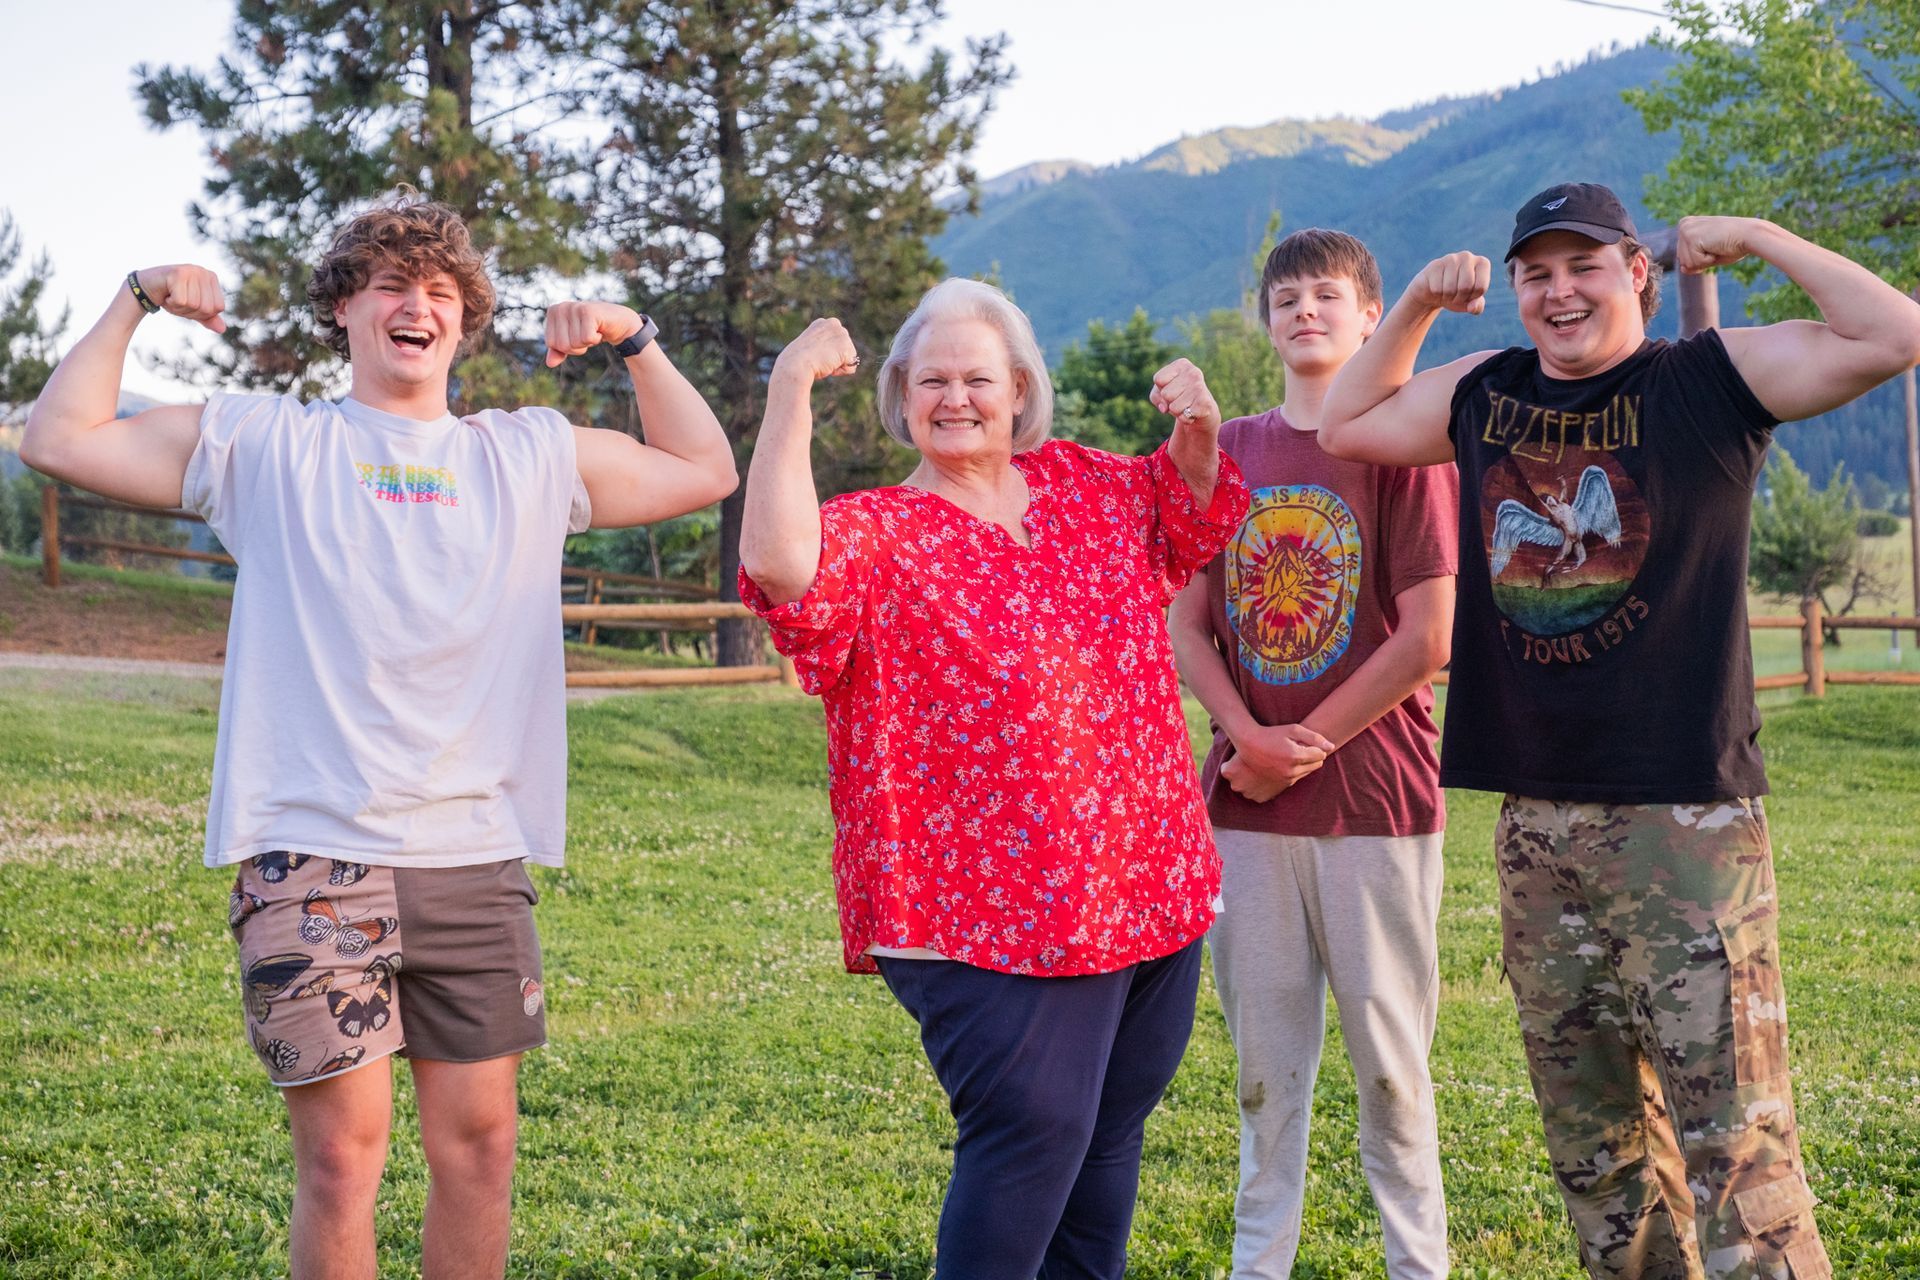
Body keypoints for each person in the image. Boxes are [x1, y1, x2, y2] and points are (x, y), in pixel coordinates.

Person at [20, 194, 737, 1279]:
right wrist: (136, 299)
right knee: (343, 1164)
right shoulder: (265, 441)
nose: (418, 305)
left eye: (442, 291)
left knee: (482, 1148)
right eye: (393, 285)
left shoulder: (528, 454)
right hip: (313, 854)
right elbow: (56, 438)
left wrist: (634, 339)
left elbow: (704, 467)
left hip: (477, 858)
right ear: (346, 306)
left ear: (466, 323)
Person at [1318, 182, 1920, 1280]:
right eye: (1535, 273)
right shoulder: (1485, 391)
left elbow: (1894, 333)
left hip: (1684, 825)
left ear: (1637, 274)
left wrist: (1756, 237)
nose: (1559, 292)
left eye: (1584, 265)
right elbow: (1346, 421)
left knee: (1738, 1152)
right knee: (1595, 1157)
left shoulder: (1708, 379)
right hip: (1537, 829)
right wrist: (1407, 305)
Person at [736, 278, 1249, 1279]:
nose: (956, 397)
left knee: (1104, 1136)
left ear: (1018, 388)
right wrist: (791, 384)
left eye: (978, 377)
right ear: (900, 393)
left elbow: (1190, 514)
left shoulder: (1092, 487)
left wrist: (1197, 431)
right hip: (975, 912)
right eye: (933, 379)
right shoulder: (876, 531)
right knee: (1031, 1132)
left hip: (1144, 881)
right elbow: (781, 564)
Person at [1169, 228, 1457, 1279]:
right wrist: (1247, 739)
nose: (1304, 312)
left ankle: (1416, 1263)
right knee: (1263, 1072)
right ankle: (1261, 1264)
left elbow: (1429, 636)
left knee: (1392, 1069)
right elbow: (1187, 623)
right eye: (1285, 297)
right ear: (1267, 320)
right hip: (1243, 808)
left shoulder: (1403, 442)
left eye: (1327, 296)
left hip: (1376, 804)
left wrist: (1306, 744)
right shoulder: (1229, 450)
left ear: (1370, 316)